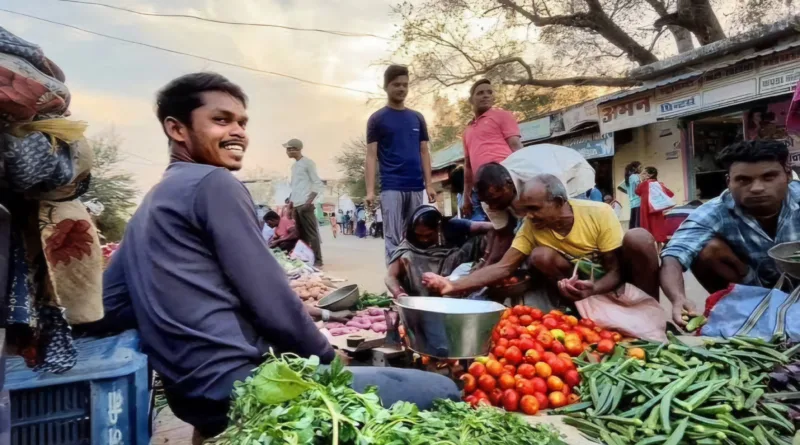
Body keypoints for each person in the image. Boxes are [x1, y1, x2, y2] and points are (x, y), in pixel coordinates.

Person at [98, 73, 459, 444]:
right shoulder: (213, 183)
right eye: (221, 120)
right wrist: (326, 358)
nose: (238, 131)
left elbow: (109, 307)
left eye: (242, 122)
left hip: (189, 396)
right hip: (241, 387)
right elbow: (270, 299)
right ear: (177, 129)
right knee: (439, 392)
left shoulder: (148, 207)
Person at [422, 175, 660, 302]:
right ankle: (576, 303)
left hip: (609, 276)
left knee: (638, 238)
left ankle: (650, 308)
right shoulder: (531, 226)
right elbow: (503, 267)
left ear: (558, 203)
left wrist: (596, 288)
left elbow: (614, 269)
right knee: (540, 255)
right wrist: (452, 284)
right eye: (525, 209)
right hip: (579, 279)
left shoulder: (599, 213)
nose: (528, 216)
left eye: (535, 208)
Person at [660, 140, 800, 326]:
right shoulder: (715, 210)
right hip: (751, 287)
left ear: (788, 175)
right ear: (729, 181)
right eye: (743, 180)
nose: (756, 188)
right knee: (709, 249)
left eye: (769, 177)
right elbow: (674, 255)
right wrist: (678, 298)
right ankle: (740, 314)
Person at [472, 144, 595, 264]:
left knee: (564, 223)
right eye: (488, 201)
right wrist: (487, 265)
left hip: (574, 173)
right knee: (530, 230)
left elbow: (561, 207)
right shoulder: (489, 199)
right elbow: (504, 235)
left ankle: (583, 262)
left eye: (496, 200)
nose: (493, 206)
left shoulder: (540, 174)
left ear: (508, 184)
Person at [365, 65, 436, 262]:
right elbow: (371, 155)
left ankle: (412, 280)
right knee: (393, 238)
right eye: (396, 84)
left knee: (416, 235)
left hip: (415, 186)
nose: (401, 89)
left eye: (405, 85)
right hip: (391, 187)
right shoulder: (377, 119)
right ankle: (395, 286)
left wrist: (429, 184)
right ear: (386, 86)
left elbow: (424, 151)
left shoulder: (417, 118)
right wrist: (370, 191)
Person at [386, 206, 492, 298]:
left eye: (428, 235)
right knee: (407, 256)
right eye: (419, 236)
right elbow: (390, 276)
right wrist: (399, 293)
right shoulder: (408, 244)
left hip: (452, 274)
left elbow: (485, 226)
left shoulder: (452, 227)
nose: (424, 240)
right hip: (418, 293)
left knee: (481, 239)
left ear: (438, 227)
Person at [461, 79, 523, 222]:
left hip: (508, 180)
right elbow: (468, 166)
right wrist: (466, 196)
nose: (486, 95)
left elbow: (516, 145)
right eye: (480, 93)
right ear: (471, 99)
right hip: (484, 188)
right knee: (501, 229)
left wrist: (527, 177)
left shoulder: (503, 115)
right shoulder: (467, 131)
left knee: (524, 219)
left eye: (489, 92)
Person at [285, 138, 324, 267]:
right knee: (301, 235)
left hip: (305, 204)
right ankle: (306, 258)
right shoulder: (294, 166)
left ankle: (318, 260)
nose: (288, 151)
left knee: (312, 234)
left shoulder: (308, 163)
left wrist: (309, 202)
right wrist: (291, 205)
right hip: (296, 205)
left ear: (297, 149)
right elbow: (295, 187)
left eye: (290, 149)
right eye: (287, 149)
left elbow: (317, 184)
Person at [635, 166, 675, 245]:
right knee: (657, 227)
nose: (642, 175)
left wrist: (641, 182)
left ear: (650, 175)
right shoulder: (659, 184)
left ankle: (650, 247)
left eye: (644, 173)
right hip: (657, 210)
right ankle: (659, 247)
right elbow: (670, 194)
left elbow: (637, 192)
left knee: (647, 228)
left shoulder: (643, 184)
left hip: (646, 210)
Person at [623, 162, 643, 229]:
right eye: (640, 167)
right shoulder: (635, 177)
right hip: (638, 200)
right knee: (638, 221)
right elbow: (639, 188)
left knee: (633, 220)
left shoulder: (628, 178)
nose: (641, 169)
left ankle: (632, 235)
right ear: (635, 168)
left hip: (632, 201)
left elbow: (625, 189)